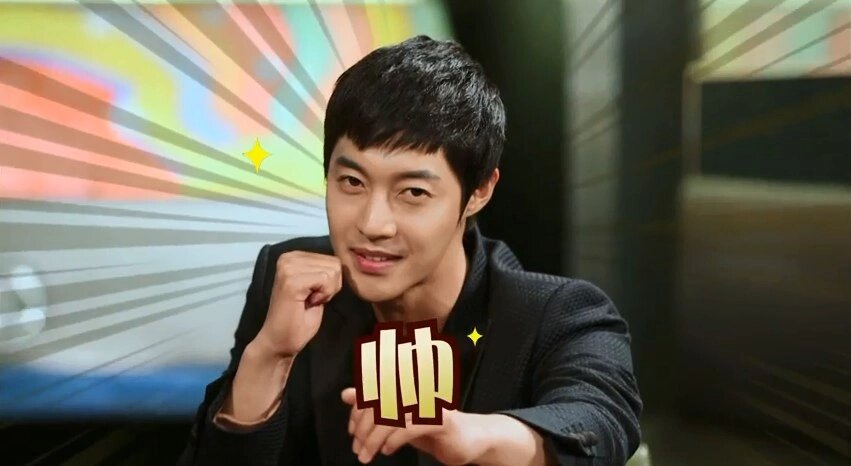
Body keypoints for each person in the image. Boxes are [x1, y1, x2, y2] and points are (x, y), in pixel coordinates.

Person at [178, 35, 641, 466]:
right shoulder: (288, 281)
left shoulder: (555, 314)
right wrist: (269, 356)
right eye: (352, 182)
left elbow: (601, 422)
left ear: (479, 191)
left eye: (413, 193)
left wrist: (473, 435)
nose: (372, 224)